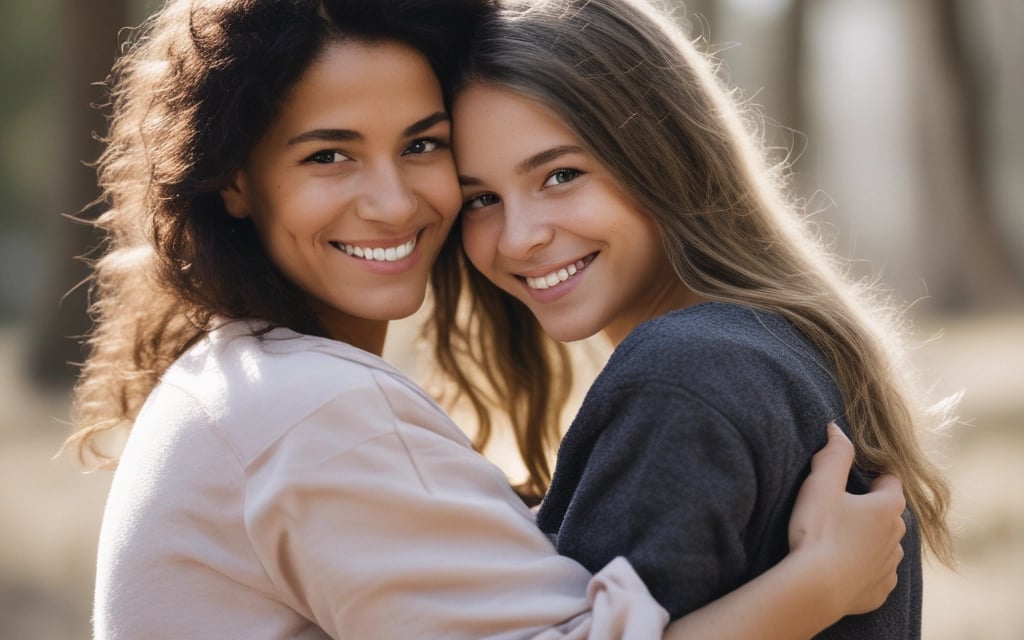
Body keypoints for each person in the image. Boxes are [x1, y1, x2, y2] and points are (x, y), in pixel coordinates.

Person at [66, 0, 906, 638]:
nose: (394, 203)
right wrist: (818, 585)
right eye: (330, 154)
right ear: (234, 181)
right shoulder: (306, 408)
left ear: (663, 152)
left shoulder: (246, 381)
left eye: (424, 146)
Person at [441, 0, 957, 636]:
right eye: (481, 199)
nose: (517, 238)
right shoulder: (775, 344)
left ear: (663, 154)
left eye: (561, 175)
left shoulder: (685, 375)